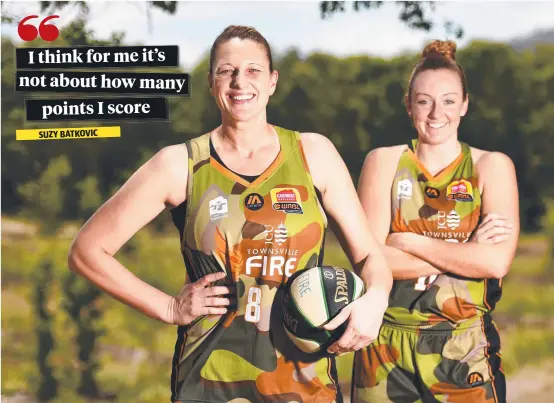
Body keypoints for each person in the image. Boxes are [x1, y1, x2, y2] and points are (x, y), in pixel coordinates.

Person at [68, 25, 392, 403]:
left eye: (253, 70)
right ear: (211, 82)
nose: (240, 82)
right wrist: (168, 307)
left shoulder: (313, 153)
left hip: (307, 385)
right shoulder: (180, 164)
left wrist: (377, 298)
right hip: (209, 383)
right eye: (226, 70)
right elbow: (86, 251)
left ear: (272, 81)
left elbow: (370, 256)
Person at [354, 40, 519, 403]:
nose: (435, 112)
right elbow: (370, 260)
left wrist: (409, 241)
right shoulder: (383, 162)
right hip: (385, 344)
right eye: (424, 100)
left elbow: (495, 261)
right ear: (409, 105)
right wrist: (466, 250)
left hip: (466, 345)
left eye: (447, 100)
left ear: (464, 105)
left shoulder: (491, 166)